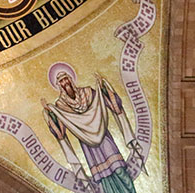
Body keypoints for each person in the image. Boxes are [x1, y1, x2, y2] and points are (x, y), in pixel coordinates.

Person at [42, 62, 140, 193]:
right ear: (59, 85)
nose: (65, 83)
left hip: (104, 137)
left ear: (71, 79)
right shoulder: (60, 105)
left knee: (119, 169)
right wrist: (50, 113)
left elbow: (106, 101)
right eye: (61, 81)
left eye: (66, 79)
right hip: (88, 145)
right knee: (105, 179)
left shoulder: (87, 92)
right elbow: (60, 132)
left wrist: (103, 87)